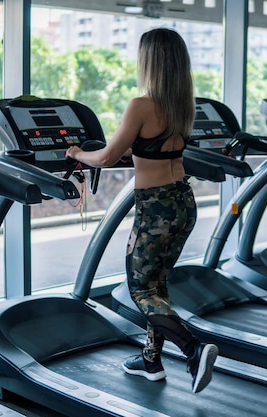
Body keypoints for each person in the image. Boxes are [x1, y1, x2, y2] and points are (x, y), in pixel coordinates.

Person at [65, 27, 218, 394]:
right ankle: (150, 359)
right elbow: (152, 147)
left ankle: (193, 349)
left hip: (155, 210)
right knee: (157, 284)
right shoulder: (183, 104)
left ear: (150, 61)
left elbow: (105, 156)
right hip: (183, 202)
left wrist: (75, 154)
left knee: (141, 290)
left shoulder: (141, 105)